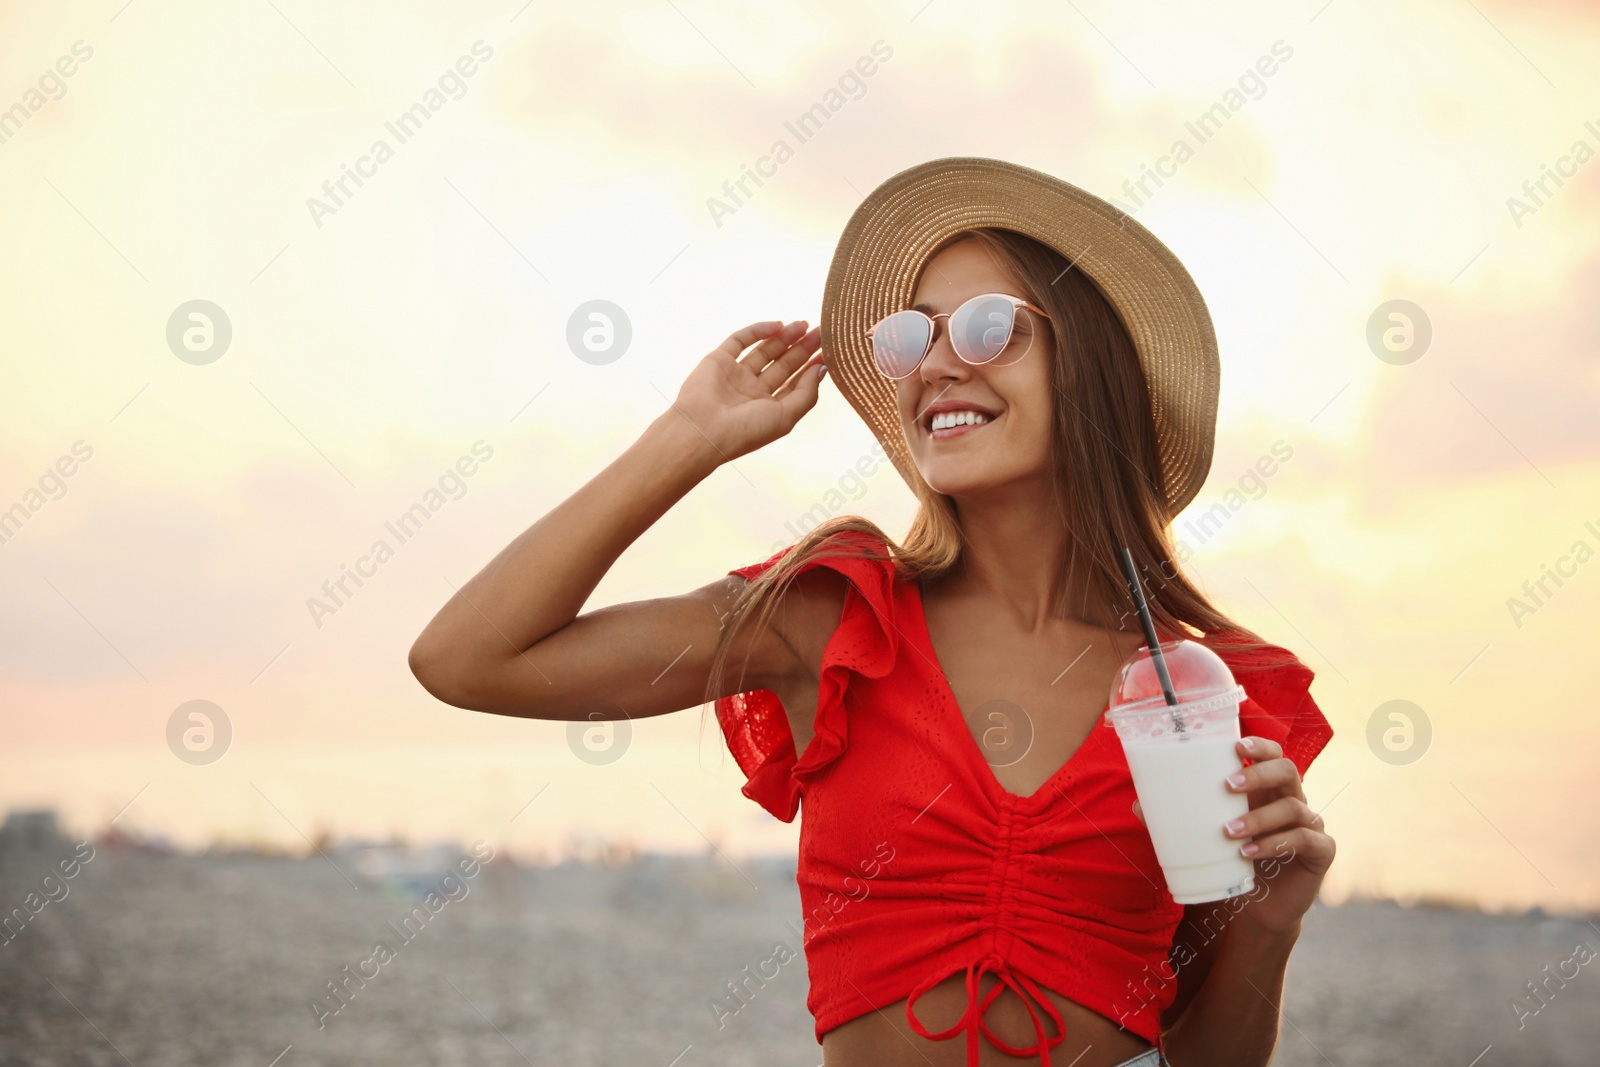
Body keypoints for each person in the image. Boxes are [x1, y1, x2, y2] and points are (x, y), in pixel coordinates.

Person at [409, 157, 1335, 1067]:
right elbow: (466, 658)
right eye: (911, 337)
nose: (934, 365)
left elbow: (1209, 1056)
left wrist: (1268, 923)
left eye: (984, 328)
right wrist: (687, 438)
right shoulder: (838, 617)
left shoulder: (1195, 697)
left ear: (1091, 364)